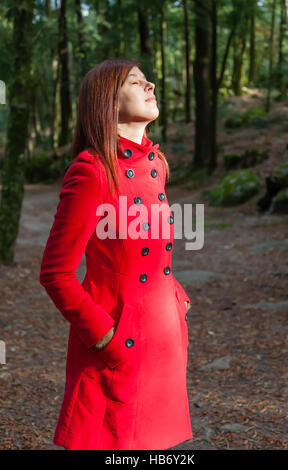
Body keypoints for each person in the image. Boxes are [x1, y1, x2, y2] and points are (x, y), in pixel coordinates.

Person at [40, 57, 193, 450]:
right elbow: (56, 273)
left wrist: (175, 295)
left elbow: (150, 250)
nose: (151, 86)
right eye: (136, 81)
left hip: (162, 332)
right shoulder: (91, 171)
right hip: (116, 340)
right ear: (107, 102)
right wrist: (105, 335)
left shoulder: (156, 163)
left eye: (148, 80)